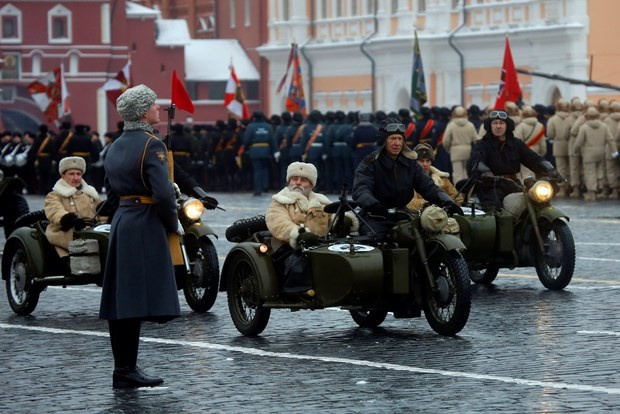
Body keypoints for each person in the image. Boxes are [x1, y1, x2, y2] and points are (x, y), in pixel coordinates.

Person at [99, 84, 180, 389]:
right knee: (134, 299)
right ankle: (126, 370)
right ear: (143, 112)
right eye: (154, 105)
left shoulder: (116, 144)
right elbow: (162, 194)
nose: (158, 108)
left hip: (123, 220)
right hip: (145, 222)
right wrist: (172, 224)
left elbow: (111, 186)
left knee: (122, 301)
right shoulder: (152, 144)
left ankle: (123, 369)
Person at [352, 117, 463, 238]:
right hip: (375, 217)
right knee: (378, 242)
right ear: (384, 141)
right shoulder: (370, 163)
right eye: (393, 138)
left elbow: (427, 186)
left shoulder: (410, 163)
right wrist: (373, 205)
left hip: (403, 215)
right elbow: (361, 189)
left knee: (426, 239)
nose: (397, 143)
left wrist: (446, 201)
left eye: (400, 139)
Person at [265, 161, 357, 295]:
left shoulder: (321, 201)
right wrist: (298, 234)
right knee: (299, 260)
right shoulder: (279, 201)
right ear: (289, 181)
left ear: (311, 184)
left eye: (303, 180)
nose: (298, 183)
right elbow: (278, 222)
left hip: (321, 245)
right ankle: (300, 292)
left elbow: (332, 217)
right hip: (289, 247)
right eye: (294, 179)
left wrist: (342, 222)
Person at [468, 109, 563, 211]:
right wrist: (485, 172)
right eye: (495, 123)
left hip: (513, 184)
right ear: (490, 126)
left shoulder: (516, 144)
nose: (498, 126)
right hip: (491, 186)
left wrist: (549, 168)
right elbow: (475, 161)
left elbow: (532, 158)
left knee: (533, 204)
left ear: (507, 125)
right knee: (494, 210)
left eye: (501, 123)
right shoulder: (482, 144)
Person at [44, 156, 101, 258]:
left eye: (78, 174)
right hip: (66, 233)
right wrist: (69, 219)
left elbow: (101, 212)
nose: (76, 178)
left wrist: (110, 213)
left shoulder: (91, 193)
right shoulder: (54, 195)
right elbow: (55, 211)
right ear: (63, 176)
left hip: (92, 232)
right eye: (71, 174)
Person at [407, 143, 463, 211]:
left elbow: (457, 198)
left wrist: (451, 205)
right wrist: (429, 204)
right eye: (421, 161)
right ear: (415, 162)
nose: (425, 164)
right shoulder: (410, 179)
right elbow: (410, 202)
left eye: (428, 161)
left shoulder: (442, 179)